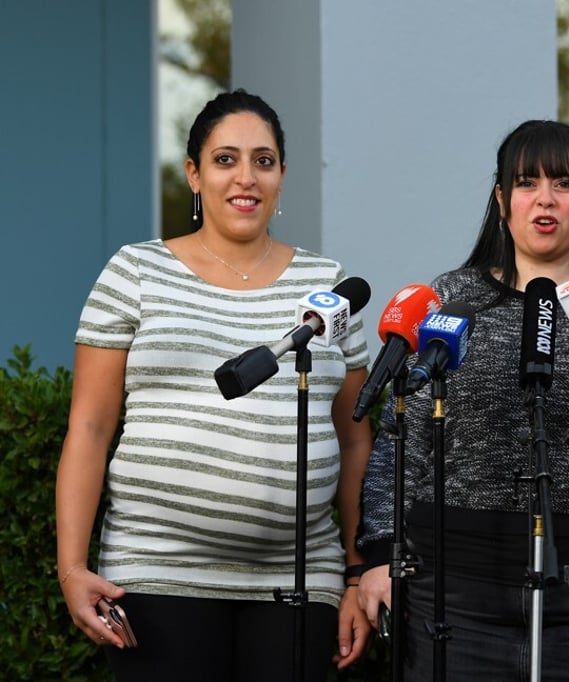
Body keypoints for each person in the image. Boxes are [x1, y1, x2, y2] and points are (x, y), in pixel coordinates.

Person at [356, 119, 569, 680]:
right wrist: (376, 557)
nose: (545, 199)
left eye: (562, 184)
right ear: (501, 200)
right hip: (458, 591)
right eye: (526, 183)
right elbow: (400, 444)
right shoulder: (452, 299)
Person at [55, 89, 373, 681]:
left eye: (264, 160)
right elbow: (90, 427)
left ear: (281, 177)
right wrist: (72, 568)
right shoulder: (137, 272)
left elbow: (355, 438)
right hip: (155, 574)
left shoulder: (327, 285)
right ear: (194, 175)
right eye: (225, 159)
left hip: (299, 581)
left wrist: (357, 572)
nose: (245, 177)